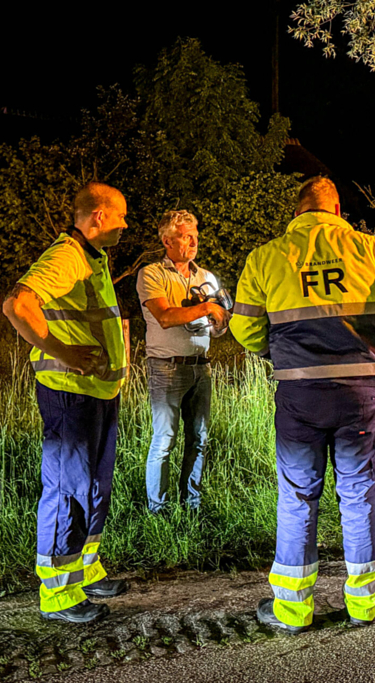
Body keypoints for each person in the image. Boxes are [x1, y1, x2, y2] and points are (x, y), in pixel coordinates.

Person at [230, 176, 375, 634]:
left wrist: (276, 353)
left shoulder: (265, 257)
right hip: (361, 393)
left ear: (297, 211)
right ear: (337, 210)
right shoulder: (373, 250)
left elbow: (243, 328)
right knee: (360, 493)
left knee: (298, 496)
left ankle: (292, 610)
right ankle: (363, 604)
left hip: (300, 394)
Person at [2, 182, 130, 624]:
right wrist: (64, 352)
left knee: (94, 487)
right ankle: (58, 594)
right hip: (69, 393)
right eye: (120, 216)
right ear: (98, 216)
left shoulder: (92, 257)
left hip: (96, 392)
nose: (125, 224)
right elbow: (17, 305)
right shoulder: (66, 256)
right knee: (66, 488)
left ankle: (85, 569)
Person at [136, 210, 231, 514]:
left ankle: (192, 505)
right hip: (166, 366)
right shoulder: (152, 274)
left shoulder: (207, 278)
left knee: (199, 438)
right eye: (185, 236)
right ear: (167, 241)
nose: (193, 241)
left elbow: (219, 326)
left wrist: (220, 322)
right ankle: (158, 510)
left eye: (195, 235)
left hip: (201, 366)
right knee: (165, 439)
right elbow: (165, 317)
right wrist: (206, 308)